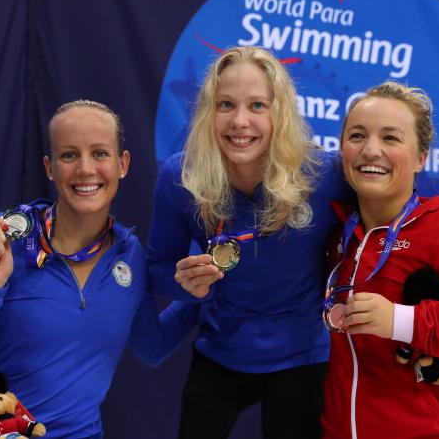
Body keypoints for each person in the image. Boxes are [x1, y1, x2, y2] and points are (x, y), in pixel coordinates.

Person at [0, 100, 196, 439]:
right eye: (69, 155)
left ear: (122, 164)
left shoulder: (131, 256)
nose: (85, 169)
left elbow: (152, 347)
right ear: (50, 168)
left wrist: (210, 290)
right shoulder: (4, 236)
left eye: (99, 153)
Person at [148, 46, 351, 439]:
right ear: (209, 112)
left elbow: (395, 225)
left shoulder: (326, 175)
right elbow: (156, 269)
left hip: (303, 355)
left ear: (281, 113)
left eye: (257, 105)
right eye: (226, 104)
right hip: (221, 350)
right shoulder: (181, 177)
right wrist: (182, 284)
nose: (240, 121)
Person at [320, 81, 439, 439]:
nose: (370, 150)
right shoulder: (336, 235)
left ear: (421, 156)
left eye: (391, 138)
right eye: (357, 135)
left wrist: (399, 320)